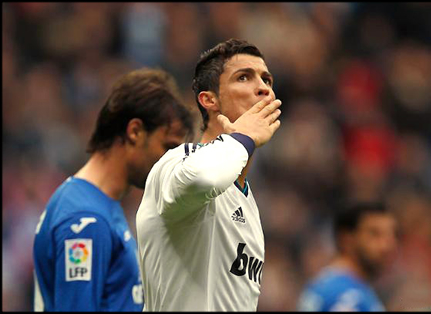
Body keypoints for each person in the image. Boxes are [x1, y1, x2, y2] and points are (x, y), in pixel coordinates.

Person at [135, 38, 282, 311]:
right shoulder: (178, 161)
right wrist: (244, 136)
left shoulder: (247, 201)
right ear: (209, 100)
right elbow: (205, 179)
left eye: (267, 80)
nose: (263, 88)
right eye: (244, 77)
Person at [32, 68, 194, 311]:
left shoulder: (97, 206)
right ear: (135, 132)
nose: (172, 163)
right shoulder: (85, 220)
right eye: (168, 147)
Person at [297, 202, 398, 311]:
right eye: (374, 234)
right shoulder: (346, 298)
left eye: (391, 234)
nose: (387, 245)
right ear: (346, 240)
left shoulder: (328, 286)